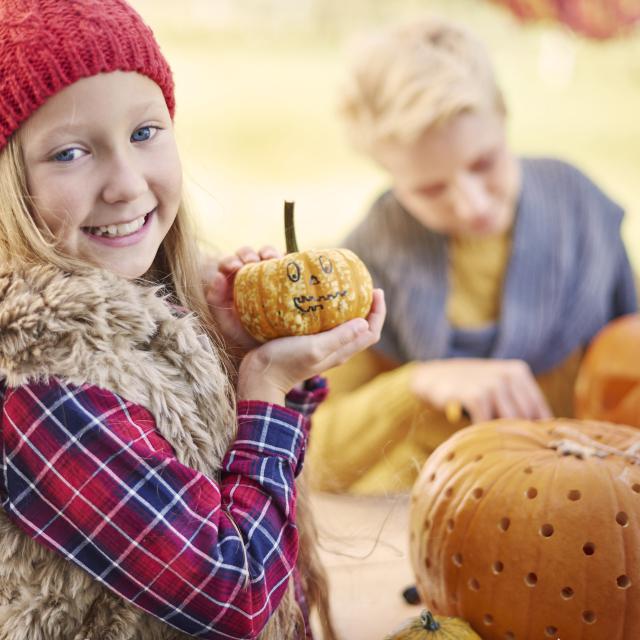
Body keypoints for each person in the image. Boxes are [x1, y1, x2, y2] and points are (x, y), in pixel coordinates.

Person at [0, 2, 385, 639]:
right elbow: (234, 592)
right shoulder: (45, 385)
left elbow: (253, 499)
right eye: (70, 152)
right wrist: (264, 393)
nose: (126, 183)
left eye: (145, 133)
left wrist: (237, 356)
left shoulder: (146, 309)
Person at [306, 16, 638, 495]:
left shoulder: (582, 214)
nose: (472, 205)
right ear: (390, 174)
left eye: (485, 163)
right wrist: (418, 383)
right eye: (430, 189)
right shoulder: (363, 266)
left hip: (583, 501)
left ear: (503, 116)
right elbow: (313, 457)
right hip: (422, 503)